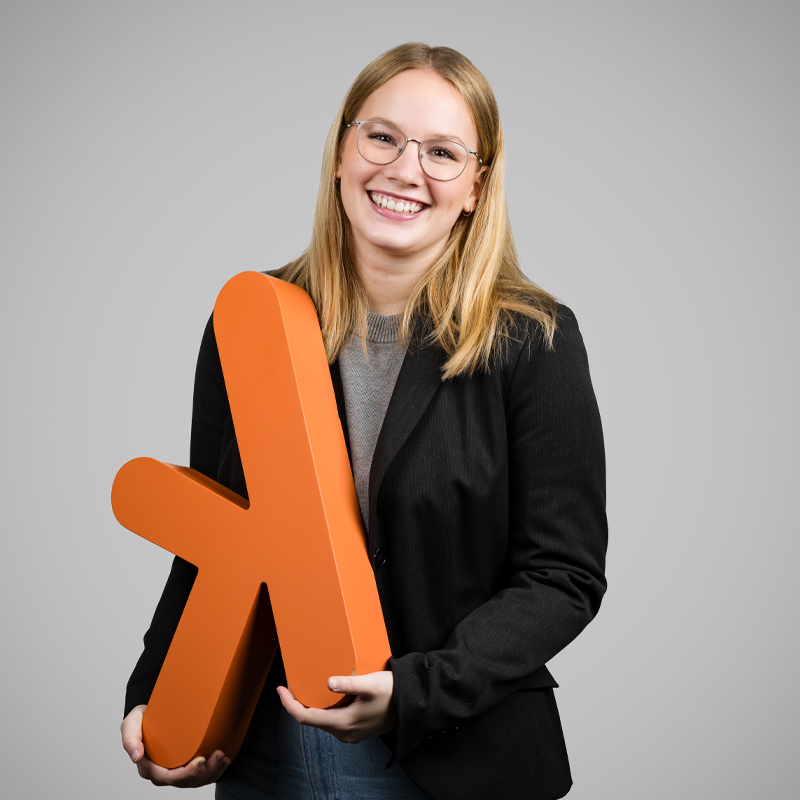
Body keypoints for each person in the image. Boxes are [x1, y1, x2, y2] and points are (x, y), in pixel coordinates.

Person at [120, 42, 607, 800]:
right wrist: (163, 697)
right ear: (341, 152)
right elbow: (214, 539)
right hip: (267, 754)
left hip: (455, 757)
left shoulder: (531, 340)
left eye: (442, 152)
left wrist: (417, 691)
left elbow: (562, 576)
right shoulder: (249, 321)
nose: (406, 170)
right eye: (383, 137)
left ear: (476, 186)